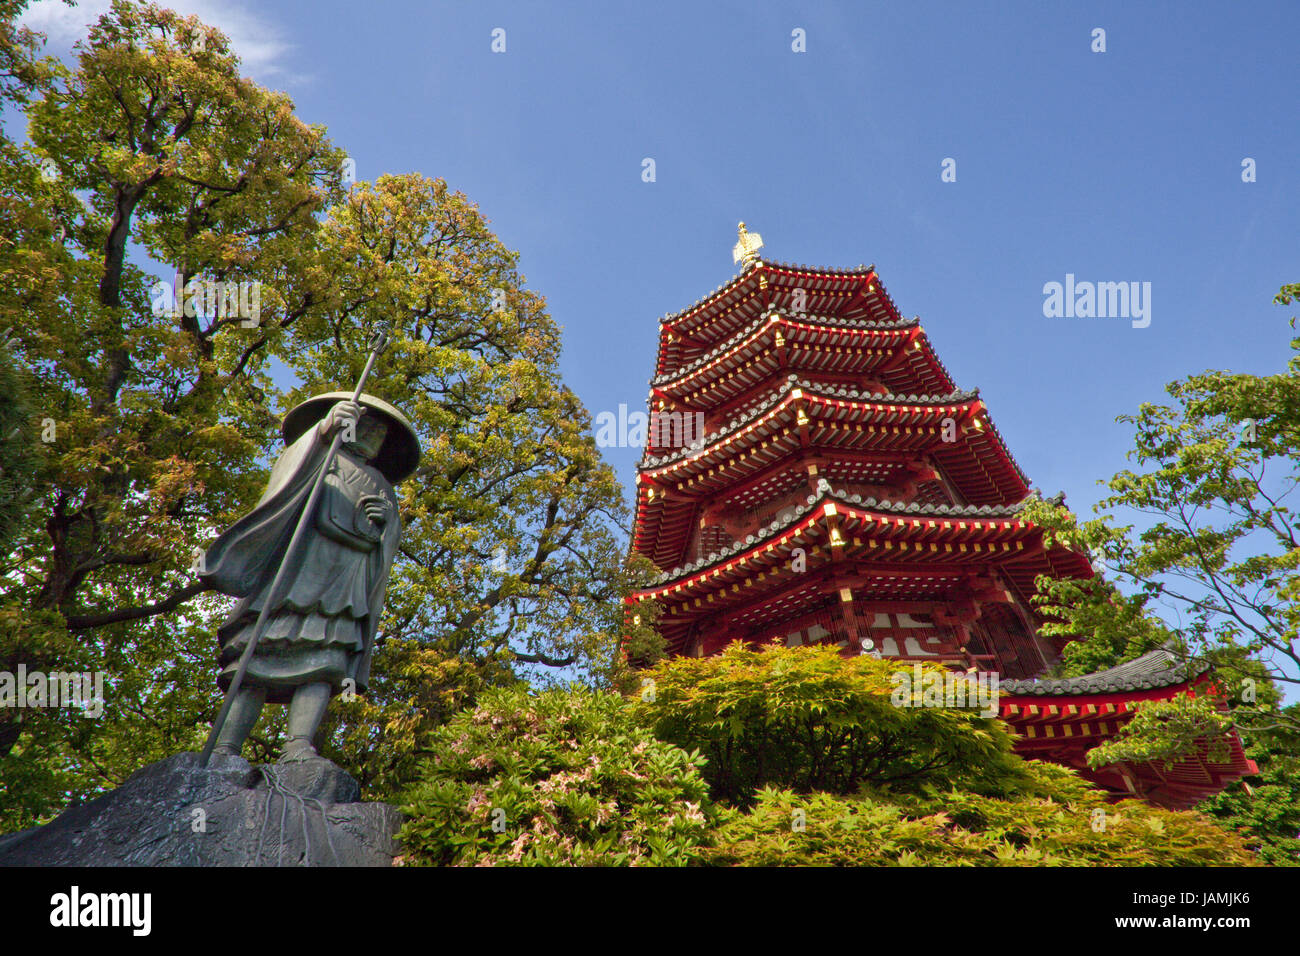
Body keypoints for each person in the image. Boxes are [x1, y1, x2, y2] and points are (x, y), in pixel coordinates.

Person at [199, 391, 420, 761]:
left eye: (379, 435)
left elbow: (387, 537)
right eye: (363, 426)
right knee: (259, 655)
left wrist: (387, 523)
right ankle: (226, 746)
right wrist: (323, 432)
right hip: (298, 570)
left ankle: (298, 743)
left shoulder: (382, 484)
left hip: (345, 580)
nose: (370, 436)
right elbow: (289, 474)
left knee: (326, 660)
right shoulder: (321, 455)